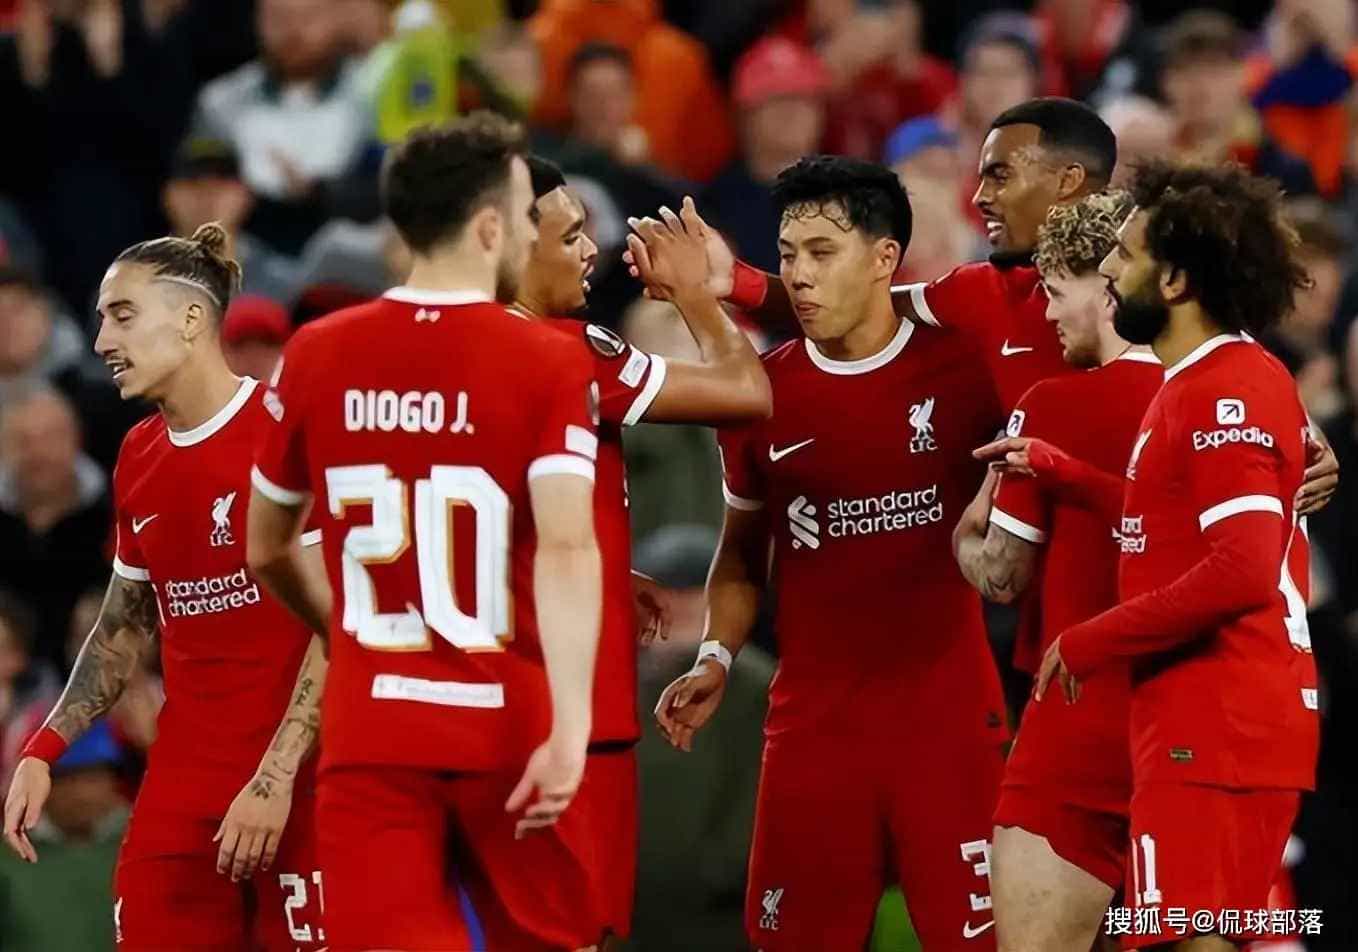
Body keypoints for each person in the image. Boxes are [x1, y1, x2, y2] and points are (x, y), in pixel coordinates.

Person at [247, 112, 604, 950]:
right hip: (508, 721)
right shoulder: (549, 359)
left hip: (372, 727)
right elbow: (566, 546)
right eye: (522, 216)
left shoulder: (315, 353)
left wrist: (343, 632)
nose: (531, 233)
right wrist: (572, 725)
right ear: (488, 229)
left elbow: (265, 545)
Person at [653, 155, 1008, 950]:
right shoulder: (758, 394)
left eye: (822, 252)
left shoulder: (965, 364)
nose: (800, 275)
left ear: (885, 258)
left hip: (946, 720)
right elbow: (741, 553)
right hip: (814, 728)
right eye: (787, 255)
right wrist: (715, 655)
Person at [693, 96, 1342, 508]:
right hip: (1044, 594)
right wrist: (737, 282)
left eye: (1000, 174)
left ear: (1067, 181)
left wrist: (1306, 438)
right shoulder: (977, 292)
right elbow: (850, 305)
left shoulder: (1160, 289)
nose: (979, 197)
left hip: (1160, 583)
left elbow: (1241, 380)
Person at [989, 161, 1320, 949]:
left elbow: (1241, 569)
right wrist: (1068, 475)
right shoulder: (1197, 384)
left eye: (1127, 254)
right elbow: (1170, 532)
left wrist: (1092, 638)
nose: (1108, 269)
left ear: (1174, 282)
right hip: (1208, 721)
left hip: (1216, 721)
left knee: (1187, 939)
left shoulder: (1224, 390)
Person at [1, 224, 328, 951]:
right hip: (184, 791)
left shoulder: (287, 431)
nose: (101, 342)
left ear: (190, 319)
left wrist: (274, 781)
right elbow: (123, 623)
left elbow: (338, 628)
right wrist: (44, 747)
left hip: (302, 787)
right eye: (99, 320)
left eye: (122, 315)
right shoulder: (138, 454)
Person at [513, 155, 770, 946]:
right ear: (508, 242)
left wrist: (599, 568)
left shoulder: (449, 356)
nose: (590, 250)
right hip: (570, 713)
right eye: (570, 235)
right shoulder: (565, 350)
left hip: (497, 702)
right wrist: (697, 296)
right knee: (577, 933)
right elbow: (747, 392)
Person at [952, 190, 1163, 951]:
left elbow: (1002, 575)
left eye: (1054, 290)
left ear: (1108, 288)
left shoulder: (1053, 405)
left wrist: (964, 530)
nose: (1045, 314)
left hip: (1077, 719)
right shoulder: (1227, 391)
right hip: (1189, 725)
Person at [0, 386, 114, 672]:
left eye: (50, 438)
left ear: (77, 439)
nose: (38, 453)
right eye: (23, 441)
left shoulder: (119, 511)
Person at [0, 722, 130, 951]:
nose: (84, 795)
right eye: (70, 779)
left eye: (94, 778)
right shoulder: (8, 858)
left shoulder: (136, 844)